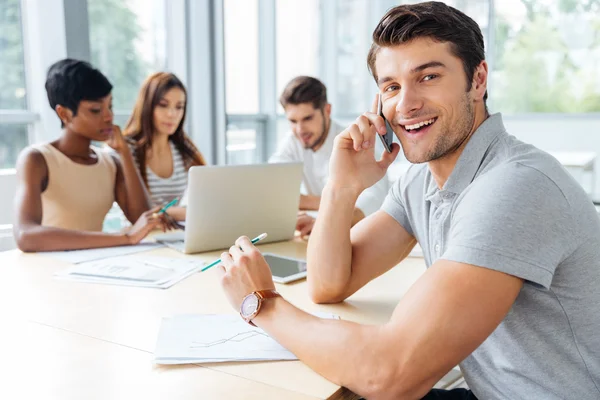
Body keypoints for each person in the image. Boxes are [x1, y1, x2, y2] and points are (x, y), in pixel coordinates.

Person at [216, 2, 600, 400]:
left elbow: (391, 377)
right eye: (391, 86)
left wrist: (261, 304)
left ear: (478, 79)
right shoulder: (422, 180)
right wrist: (341, 187)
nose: (406, 104)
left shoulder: (516, 187)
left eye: (429, 76)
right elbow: (329, 283)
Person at [13, 59, 170, 252]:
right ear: (64, 113)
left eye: (110, 106)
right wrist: (125, 238)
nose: (108, 117)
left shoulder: (110, 162)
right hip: (47, 270)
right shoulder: (37, 159)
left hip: (93, 267)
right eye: (96, 110)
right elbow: (26, 236)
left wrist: (125, 153)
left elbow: (143, 220)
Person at [269, 76, 388, 237]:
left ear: (327, 110)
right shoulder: (293, 141)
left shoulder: (358, 141)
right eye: (293, 121)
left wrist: (308, 206)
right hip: (319, 236)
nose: (300, 129)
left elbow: (369, 206)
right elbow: (270, 187)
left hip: (364, 236)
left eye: (307, 118)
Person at [124, 72, 207, 222]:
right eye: (163, 105)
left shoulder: (184, 150)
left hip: (176, 235)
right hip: (141, 240)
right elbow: (139, 214)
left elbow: (205, 203)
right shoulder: (126, 150)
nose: (172, 114)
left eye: (179, 107)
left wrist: (168, 212)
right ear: (147, 105)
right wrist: (182, 212)